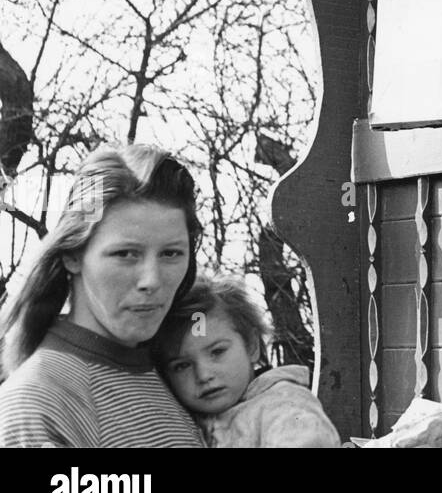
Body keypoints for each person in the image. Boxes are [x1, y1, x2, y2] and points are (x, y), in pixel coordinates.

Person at [0, 145, 205, 447]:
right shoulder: (38, 401)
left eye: (171, 253)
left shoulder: (178, 375)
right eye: (125, 254)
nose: (152, 280)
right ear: (73, 255)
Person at [155, 273, 340, 447]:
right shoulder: (182, 420)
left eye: (217, 352)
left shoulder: (284, 405)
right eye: (182, 366)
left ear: (251, 346)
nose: (203, 375)